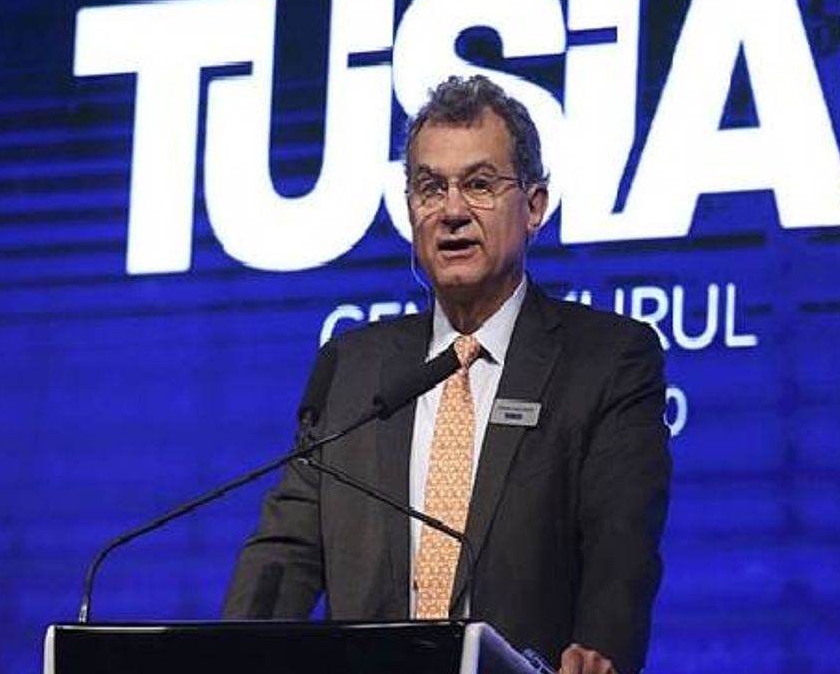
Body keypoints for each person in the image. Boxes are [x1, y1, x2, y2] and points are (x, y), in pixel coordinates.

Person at [224, 75, 671, 674]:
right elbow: (287, 550)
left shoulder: (607, 360)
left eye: (480, 184)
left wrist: (602, 648)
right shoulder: (352, 368)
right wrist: (230, 657)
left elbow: (622, 542)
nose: (453, 211)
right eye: (430, 188)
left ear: (534, 206)